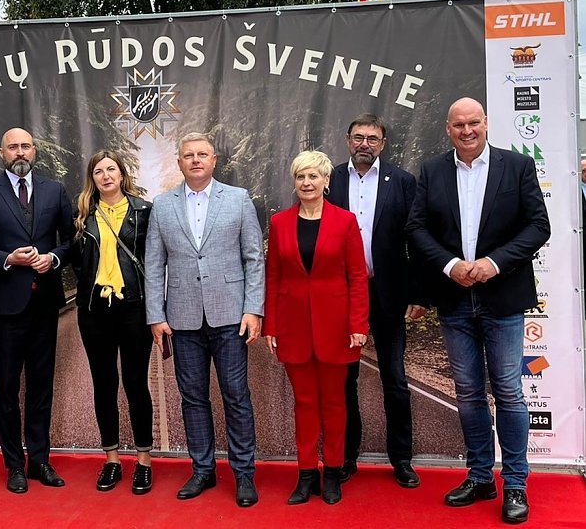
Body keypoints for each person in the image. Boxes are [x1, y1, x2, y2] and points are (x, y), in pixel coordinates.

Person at [406, 97, 550, 524]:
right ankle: (480, 476)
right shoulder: (432, 171)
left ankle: (517, 485)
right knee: (467, 393)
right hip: (454, 299)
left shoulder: (516, 166)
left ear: (485, 123)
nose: (467, 131)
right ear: (447, 129)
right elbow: (416, 227)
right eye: (458, 125)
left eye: (473, 123)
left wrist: (493, 263)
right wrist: (451, 266)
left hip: (502, 297)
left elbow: (538, 225)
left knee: (507, 390)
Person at [145, 132, 265, 507]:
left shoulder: (238, 199)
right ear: (179, 162)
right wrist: (155, 315)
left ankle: (244, 474)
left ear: (214, 160)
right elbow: (153, 264)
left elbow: (253, 258)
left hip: (230, 316)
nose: (196, 160)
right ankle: (203, 470)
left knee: (236, 396)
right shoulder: (162, 205)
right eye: (188, 155)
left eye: (202, 154)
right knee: (192, 398)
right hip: (182, 320)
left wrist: (253, 308)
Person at [0, 128, 74, 494]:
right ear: (2, 152)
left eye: (25, 146)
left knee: (42, 386)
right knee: (7, 389)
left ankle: (40, 460)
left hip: (44, 304)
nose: (20, 152)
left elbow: (73, 240)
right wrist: (5, 258)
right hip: (6, 308)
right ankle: (14, 465)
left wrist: (54, 257)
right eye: (13, 146)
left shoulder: (55, 190)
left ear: (34, 150)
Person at [263, 150, 369, 505]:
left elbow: (357, 276)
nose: (306, 183)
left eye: (313, 177)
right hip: (293, 328)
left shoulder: (345, 221)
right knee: (304, 403)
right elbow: (274, 277)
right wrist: (271, 326)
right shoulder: (280, 223)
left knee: (335, 403)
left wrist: (358, 324)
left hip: (337, 328)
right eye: (300, 177)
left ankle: (334, 472)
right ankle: (306, 473)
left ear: (326, 181)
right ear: (295, 182)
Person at [326, 114, 426, 487]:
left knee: (395, 379)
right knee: (344, 379)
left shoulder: (402, 182)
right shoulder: (330, 180)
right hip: (341, 295)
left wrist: (417, 293)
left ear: (383, 144)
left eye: (372, 138)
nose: (364, 143)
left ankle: (401, 459)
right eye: (358, 137)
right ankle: (346, 455)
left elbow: (416, 239)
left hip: (388, 293)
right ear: (347, 140)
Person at [72, 150, 154, 494]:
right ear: (93, 179)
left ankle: (144, 462)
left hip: (134, 308)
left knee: (136, 383)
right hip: (94, 311)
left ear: (122, 175)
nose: (106, 176)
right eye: (99, 172)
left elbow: (156, 258)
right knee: (104, 383)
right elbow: (75, 260)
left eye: (112, 170)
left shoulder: (144, 212)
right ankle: (112, 460)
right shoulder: (83, 217)